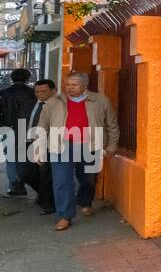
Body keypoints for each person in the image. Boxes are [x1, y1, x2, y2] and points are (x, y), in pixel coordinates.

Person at [35, 71, 118, 231]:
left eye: (74, 85)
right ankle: (64, 216)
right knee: (61, 182)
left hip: (90, 145)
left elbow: (112, 124)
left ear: (85, 85)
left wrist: (112, 144)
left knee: (88, 179)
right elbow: (42, 126)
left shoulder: (100, 101)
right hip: (60, 146)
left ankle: (85, 201)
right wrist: (39, 148)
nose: (69, 88)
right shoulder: (54, 102)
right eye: (67, 84)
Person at [18, 79, 57, 214]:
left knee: (46, 174)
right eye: (37, 91)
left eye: (43, 91)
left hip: (47, 144)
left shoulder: (57, 105)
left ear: (53, 91)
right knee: (26, 173)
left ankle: (48, 204)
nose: (39, 94)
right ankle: (43, 195)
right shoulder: (34, 103)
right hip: (30, 141)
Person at [0, 68, 37, 197]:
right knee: (26, 157)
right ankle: (29, 183)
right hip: (27, 129)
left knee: (11, 158)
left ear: (11, 78)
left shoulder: (4, 93)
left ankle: (16, 187)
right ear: (27, 79)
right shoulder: (33, 94)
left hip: (7, 129)